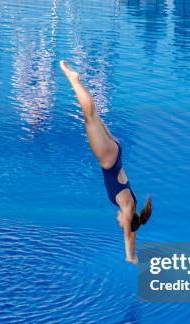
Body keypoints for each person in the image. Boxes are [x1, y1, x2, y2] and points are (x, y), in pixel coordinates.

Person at [60, 60, 152, 264]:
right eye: (122, 223)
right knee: (89, 117)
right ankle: (74, 80)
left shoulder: (132, 203)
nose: (119, 221)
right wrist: (131, 256)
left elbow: (134, 231)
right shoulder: (128, 209)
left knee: (94, 115)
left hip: (116, 151)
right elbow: (129, 235)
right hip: (108, 158)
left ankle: (75, 81)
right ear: (128, 221)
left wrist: (134, 239)